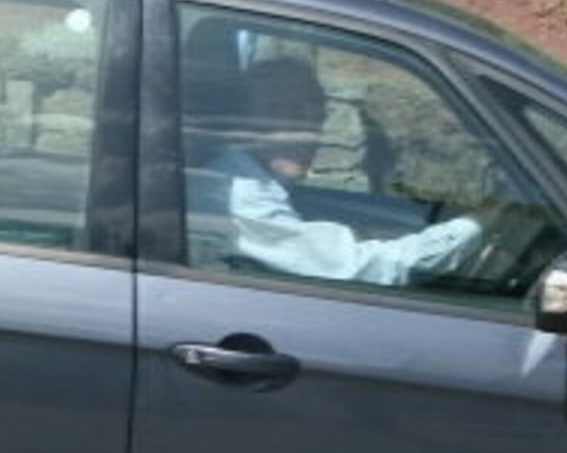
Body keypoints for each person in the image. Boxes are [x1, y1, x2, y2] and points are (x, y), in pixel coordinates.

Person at [205, 57, 483, 286]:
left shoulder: (259, 182)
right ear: (241, 122)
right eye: (276, 110)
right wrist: (476, 226)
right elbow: (354, 267)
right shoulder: (238, 193)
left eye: (312, 111)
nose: (301, 126)